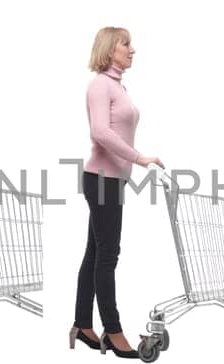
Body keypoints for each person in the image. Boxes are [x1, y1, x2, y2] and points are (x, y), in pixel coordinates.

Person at [71, 26, 162, 359]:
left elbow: (115, 132)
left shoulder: (117, 86)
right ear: (110, 50)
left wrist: (131, 165)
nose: (132, 49)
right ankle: (113, 330)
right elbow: (100, 132)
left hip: (113, 179)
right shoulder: (100, 85)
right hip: (101, 179)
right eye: (126, 44)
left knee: (95, 254)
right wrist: (139, 159)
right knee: (108, 255)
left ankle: (82, 324)